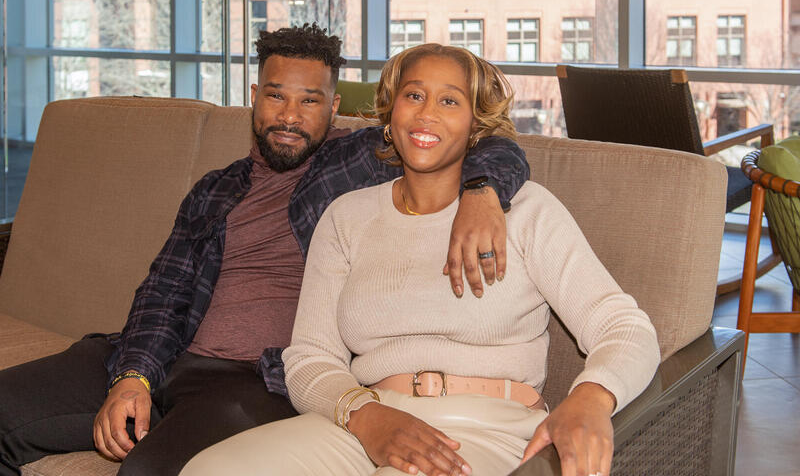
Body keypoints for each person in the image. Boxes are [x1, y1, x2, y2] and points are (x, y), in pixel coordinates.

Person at [0, 27, 531, 476]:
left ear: (335, 106)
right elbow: (163, 291)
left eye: (310, 100)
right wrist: (133, 377)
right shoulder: (216, 188)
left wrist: (483, 191)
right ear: (254, 94)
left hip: (258, 383)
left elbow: (492, 140)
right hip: (167, 357)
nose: (290, 116)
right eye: (277, 95)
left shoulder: (368, 160)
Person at [180, 43, 661, 476]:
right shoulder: (346, 216)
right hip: (363, 422)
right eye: (414, 96)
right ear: (389, 114)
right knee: (208, 469)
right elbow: (309, 358)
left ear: (476, 123)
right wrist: (366, 415)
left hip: (487, 430)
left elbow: (623, 326)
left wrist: (591, 398)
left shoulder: (528, 211)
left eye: (450, 101)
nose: (427, 114)